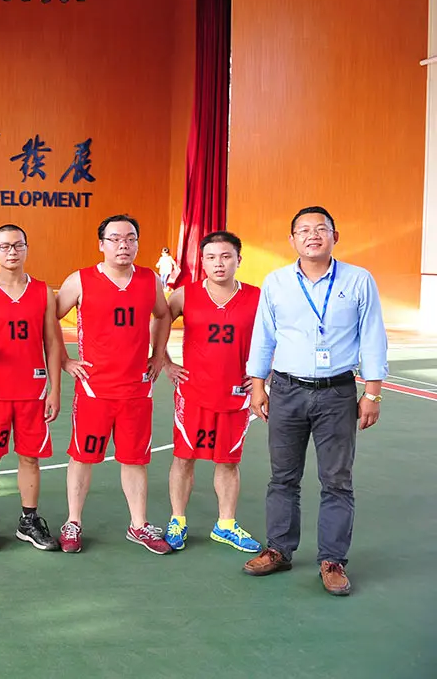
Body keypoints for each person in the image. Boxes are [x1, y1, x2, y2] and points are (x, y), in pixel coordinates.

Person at [241, 206, 387, 596]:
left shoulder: (358, 280)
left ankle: (332, 560)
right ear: (292, 240)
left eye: (321, 229)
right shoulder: (276, 282)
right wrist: (257, 385)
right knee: (283, 477)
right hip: (287, 391)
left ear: (334, 236)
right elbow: (263, 336)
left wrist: (372, 392)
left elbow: (373, 336)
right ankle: (278, 549)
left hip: (337, 393)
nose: (312, 235)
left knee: (337, 480)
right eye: (303, 230)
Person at [56, 214, 172, 554]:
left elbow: (163, 315)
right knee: (83, 456)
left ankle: (138, 524)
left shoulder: (150, 280)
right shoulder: (80, 280)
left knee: (135, 459)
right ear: (101, 244)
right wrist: (64, 360)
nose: (124, 245)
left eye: (131, 238)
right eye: (116, 238)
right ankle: (73, 521)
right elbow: (49, 318)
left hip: (137, 387)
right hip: (94, 388)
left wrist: (159, 355)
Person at [0, 224, 63, 552]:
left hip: (33, 390)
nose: (12, 251)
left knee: (30, 458)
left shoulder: (43, 291)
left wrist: (54, 389)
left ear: (26, 248)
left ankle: (28, 521)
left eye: (18, 245)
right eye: (4, 246)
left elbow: (52, 342)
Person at [162, 231, 261, 553]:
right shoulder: (184, 295)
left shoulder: (257, 297)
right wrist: (165, 363)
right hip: (193, 393)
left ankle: (226, 524)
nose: (219, 263)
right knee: (183, 458)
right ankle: (177, 520)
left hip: (236, 395)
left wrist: (265, 374)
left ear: (238, 260)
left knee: (228, 461)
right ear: (201, 261)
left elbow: (277, 338)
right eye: (211, 257)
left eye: (226, 256)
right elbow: (157, 325)